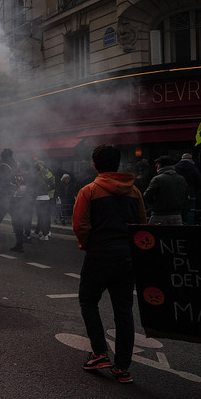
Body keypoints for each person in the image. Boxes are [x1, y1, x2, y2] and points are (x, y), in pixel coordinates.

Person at [72, 144, 146, 384]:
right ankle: (122, 367)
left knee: (88, 301)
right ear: (118, 164)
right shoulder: (134, 192)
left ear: (95, 165)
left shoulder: (89, 191)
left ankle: (99, 352)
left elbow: (80, 226)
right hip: (127, 257)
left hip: (99, 255)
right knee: (124, 310)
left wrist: (86, 245)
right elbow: (141, 225)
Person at [143, 155, 187, 225]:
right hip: (177, 216)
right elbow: (185, 196)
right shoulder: (181, 179)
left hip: (159, 215)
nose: (156, 166)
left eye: (157, 164)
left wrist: (154, 205)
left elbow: (147, 195)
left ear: (160, 165)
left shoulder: (157, 179)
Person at [174, 153, 201, 225]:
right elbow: (198, 182)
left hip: (178, 195)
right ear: (191, 159)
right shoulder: (194, 168)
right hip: (191, 194)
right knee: (190, 213)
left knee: (178, 213)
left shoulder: (175, 168)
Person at [33, 159, 55, 240]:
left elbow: (34, 188)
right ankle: (45, 232)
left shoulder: (36, 177)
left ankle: (45, 235)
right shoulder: (46, 175)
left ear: (36, 169)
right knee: (45, 216)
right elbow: (52, 185)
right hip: (47, 198)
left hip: (39, 199)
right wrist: (47, 190)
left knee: (41, 217)